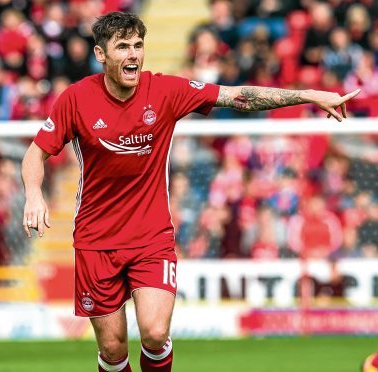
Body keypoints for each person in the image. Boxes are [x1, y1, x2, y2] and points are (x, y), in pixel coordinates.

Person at [21, 12, 360, 372]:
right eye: (122, 47)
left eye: (138, 46)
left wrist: (307, 95)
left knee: (153, 332)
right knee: (113, 349)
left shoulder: (165, 90)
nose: (133, 54)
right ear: (101, 55)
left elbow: (239, 97)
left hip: (151, 238)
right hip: (95, 239)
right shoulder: (75, 99)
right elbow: (35, 153)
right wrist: (33, 194)